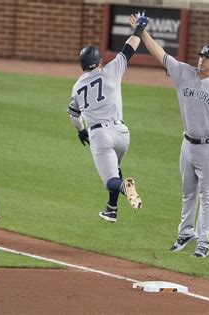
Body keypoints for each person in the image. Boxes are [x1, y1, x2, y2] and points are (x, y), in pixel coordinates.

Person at [131, 14, 209, 257]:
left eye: (207, 58)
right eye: (201, 56)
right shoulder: (185, 73)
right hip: (187, 143)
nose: (201, 61)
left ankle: (204, 243)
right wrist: (142, 31)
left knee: (207, 195)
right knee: (188, 192)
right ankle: (185, 233)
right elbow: (160, 53)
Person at [67, 12, 149, 223]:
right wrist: (139, 26)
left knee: (112, 180)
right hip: (122, 134)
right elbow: (129, 47)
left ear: (81, 65)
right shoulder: (112, 69)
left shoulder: (77, 87)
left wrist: (81, 131)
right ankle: (111, 209)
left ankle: (125, 187)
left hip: (100, 136)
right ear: (100, 61)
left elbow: (74, 115)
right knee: (115, 168)